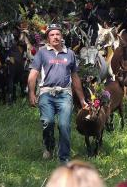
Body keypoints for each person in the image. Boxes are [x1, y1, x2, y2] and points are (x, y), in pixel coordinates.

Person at [28, 24, 87, 163]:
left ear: (61, 36)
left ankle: (64, 158)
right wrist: (31, 93)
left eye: (57, 34)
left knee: (64, 125)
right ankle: (49, 147)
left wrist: (82, 99)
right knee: (48, 122)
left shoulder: (70, 53)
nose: (55, 37)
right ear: (48, 38)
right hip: (46, 93)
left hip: (65, 94)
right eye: (52, 34)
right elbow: (33, 74)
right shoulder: (42, 53)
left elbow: (75, 77)